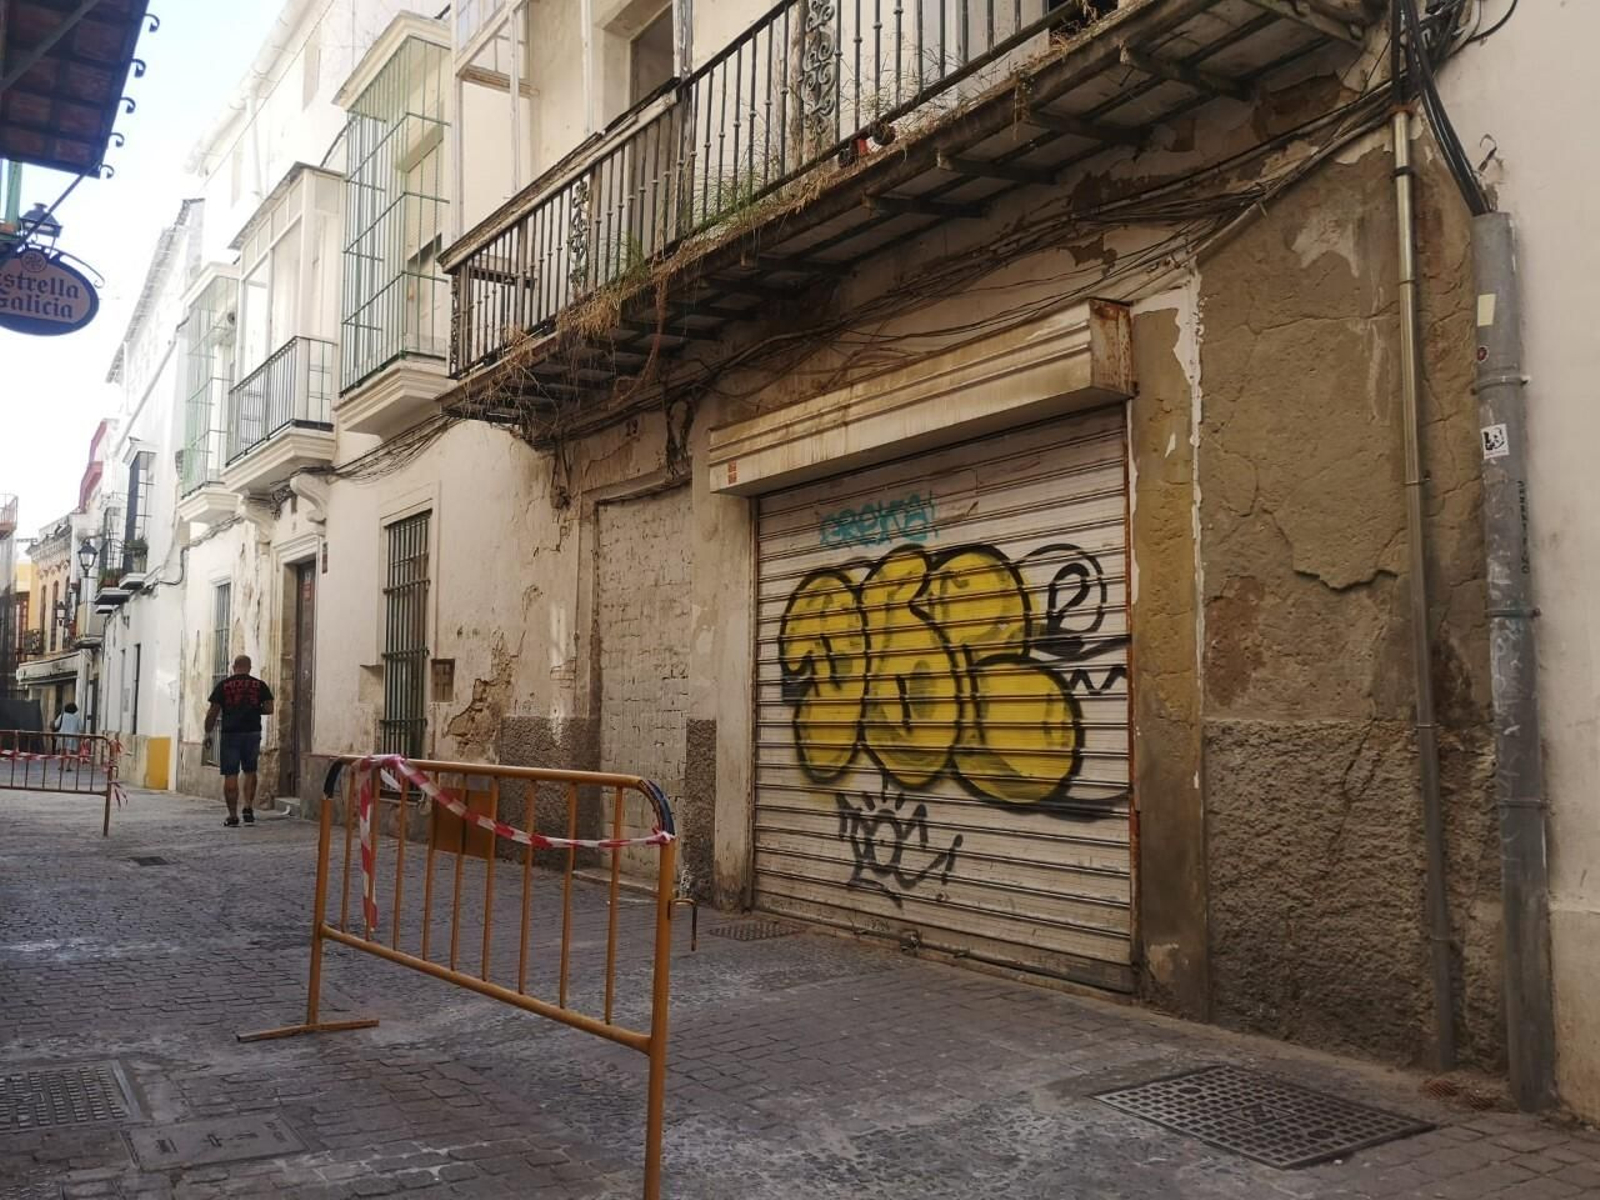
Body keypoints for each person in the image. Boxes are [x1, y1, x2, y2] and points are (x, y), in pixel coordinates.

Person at [203, 655, 274, 827]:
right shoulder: (259, 685)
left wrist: (208, 733)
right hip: (252, 732)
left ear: (233, 667)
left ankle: (233, 815)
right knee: (250, 770)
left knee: (231, 774)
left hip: (230, 734)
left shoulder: (224, 685)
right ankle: (248, 807)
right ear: (249, 667)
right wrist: (253, 710)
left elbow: (213, 711)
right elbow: (269, 708)